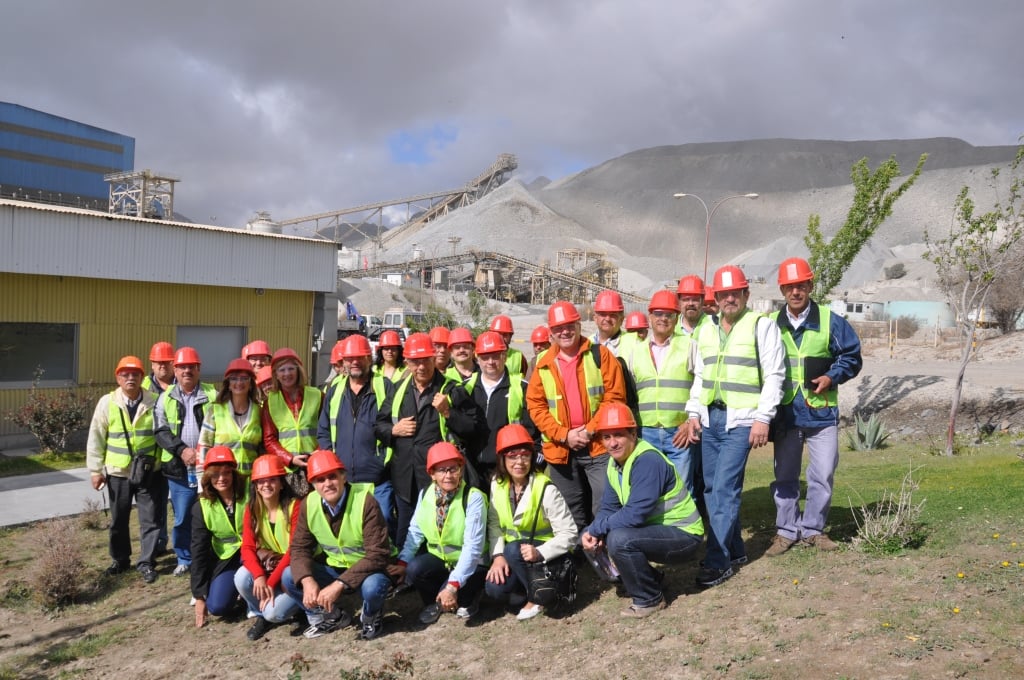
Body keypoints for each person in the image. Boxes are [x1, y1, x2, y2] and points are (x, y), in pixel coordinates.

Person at [685, 265, 785, 588]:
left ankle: (718, 562)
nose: (730, 299)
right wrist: (693, 412)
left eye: (735, 293)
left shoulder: (761, 326)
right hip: (710, 419)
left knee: (724, 489)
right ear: (716, 297)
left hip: (741, 421)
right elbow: (701, 374)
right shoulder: (706, 328)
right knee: (711, 489)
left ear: (746, 294)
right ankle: (736, 550)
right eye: (724, 294)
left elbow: (774, 375)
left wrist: (763, 418)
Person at [766, 258, 863, 555]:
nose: (795, 292)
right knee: (785, 476)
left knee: (823, 474)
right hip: (786, 413)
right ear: (782, 290)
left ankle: (813, 530)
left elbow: (852, 356)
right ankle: (786, 530)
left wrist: (832, 377)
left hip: (821, 413)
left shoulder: (830, 321)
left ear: (810, 286)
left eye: (801, 285)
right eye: (790, 287)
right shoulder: (769, 324)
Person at [581, 403, 704, 617]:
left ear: (633, 433)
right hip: (659, 531)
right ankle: (651, 581)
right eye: (606, 437)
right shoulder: (614, 463)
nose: (612, 443)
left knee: (619, 539)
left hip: (684, 534)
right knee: (595, 533)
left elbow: (634, 515)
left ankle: (649, 599)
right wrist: (593, 531)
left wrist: (598, 529)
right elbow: (609, 507)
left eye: (618, 435)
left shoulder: (647, 460)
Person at [526, 301, 627, 530]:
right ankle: (578, 550)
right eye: (558, 328)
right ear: (551, 332)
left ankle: (606, 547)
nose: (565, 332)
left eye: (569, 326)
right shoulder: (543, 363)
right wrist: (564, 435)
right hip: (560, 449)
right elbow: (536, 406)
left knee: (605, 503)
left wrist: (590, 429)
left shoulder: (600, 355)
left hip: (598, 445)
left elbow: (614, 397)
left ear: (579, 326)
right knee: (570, 511)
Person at [374, 332, 479, 550]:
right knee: (405, 535)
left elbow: (473, 428)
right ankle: (404, 569)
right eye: (415, 362)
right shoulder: (398, 389)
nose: (421, 367)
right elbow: (378, 425)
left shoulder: (452, 389)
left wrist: (448, 412)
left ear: (434, 359)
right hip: (404, 478)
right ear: (407, 362)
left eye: (425, 361)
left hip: (438, 480)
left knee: (437, 534)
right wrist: (393, 430)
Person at [282, 450, 393, 640]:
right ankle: (333, 616)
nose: (327, 484)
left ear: (343, 477)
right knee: (289, 576)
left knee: (374, 587)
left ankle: (371, 615)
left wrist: (339, 584)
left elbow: (378, 555)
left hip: (369, 570)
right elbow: (300, 547)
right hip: (334, 567)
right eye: (320, 480)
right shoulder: (309, 504)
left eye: (332, 477)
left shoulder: (365, 501)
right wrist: (307, 580)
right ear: (313, 484)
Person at [86, 355, 166, 584]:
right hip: (118, 472)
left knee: (151, 520)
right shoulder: (107, 402)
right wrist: (95, 470)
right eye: (125, 374)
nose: (131, 378)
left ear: (142, 377)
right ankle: (120, 561)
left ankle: (147, 562)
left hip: (149, 472)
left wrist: (161, 465)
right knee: (118, 520)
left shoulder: (155, 401)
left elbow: (163, 434)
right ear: (118, 378)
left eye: (135, 374)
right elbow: (96, 437)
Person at [389, 442, 488, 625]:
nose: (448, 475)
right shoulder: (425, 494)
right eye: (441, 470)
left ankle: (466, 596)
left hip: (473, 563)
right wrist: (403, 563)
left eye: (453, 469)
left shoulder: (473, 497)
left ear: (461, 470)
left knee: (462, 597)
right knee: (414, 569)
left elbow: (473, 548)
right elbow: (415, 531)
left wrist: (452, 586)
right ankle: (436, 601)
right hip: (442, 560)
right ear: (432, 474)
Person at [485, 424, 577, 620]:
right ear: (502, 458)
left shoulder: (545, 488)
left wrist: (540, 552)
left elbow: (569, 533)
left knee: (513, 550)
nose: (519, 462)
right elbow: (494, 524)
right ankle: (535, 590)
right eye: (512, 456)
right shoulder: (496, 484)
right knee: (494, 589)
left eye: (525, 455)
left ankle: (539, 597)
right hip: (515, 556)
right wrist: (498, 556)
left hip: (546, 556)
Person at [621, 290, 697, 489]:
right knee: (649, 488)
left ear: (676, 317)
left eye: (669, 314)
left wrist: (690, 421)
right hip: (647, 432)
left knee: (681, 489)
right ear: (650, 316)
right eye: (658, 313)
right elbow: (631, 394)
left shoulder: (689, 346)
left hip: (679, 433)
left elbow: (701, 386)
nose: (663, 318)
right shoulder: (636, 352)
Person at [317, 334, 393, 527]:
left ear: (369, 358)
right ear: (343, 362)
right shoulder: (335, 391)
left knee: (381, 523)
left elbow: (395, 427)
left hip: (378, 480)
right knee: (348, 528)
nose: (355, 362)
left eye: (360, 357)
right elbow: (323, 430)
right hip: (343, 480)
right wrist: (332, 461)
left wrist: (382, 461)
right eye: (350, 359)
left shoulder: (384, 387)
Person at [155, 346, 217, 577]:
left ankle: (211, 553)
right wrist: (182, 451)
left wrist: (204, 453)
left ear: (199, 369)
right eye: (182, 367)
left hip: (208, 467)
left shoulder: (213, 394)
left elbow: (221, 425)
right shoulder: (166, 397)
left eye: (191, 367)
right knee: (182, 517)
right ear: (175, 370)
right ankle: (184, 557)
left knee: (211, 513)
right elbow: (160, 431)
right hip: (178, 469)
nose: (186, 371)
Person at [452, 331, 537, 487]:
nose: (490, 362)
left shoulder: (521, 388)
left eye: (495, 356)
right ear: (477, 358)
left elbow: (533, 432)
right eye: (485, 357)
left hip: (507, 470)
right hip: (472, 470)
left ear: (504, 356)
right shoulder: (465, 389)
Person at [235, 454, 302, 640]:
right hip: (272, 566)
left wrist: (270, 583)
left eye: (272, 479)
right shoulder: (252, 509)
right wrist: (258, 576)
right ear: (255, 485)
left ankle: (299, 608)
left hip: (293, 570)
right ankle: (260, 614)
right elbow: (247, 547)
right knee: (241, 577)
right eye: (261, 481)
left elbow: (294, 550)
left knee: (274, 614)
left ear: (282, 483)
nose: (266, 485)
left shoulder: (295, 506)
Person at [191, 446, 248, 627]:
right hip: (226, 558)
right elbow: (198, 550)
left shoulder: (250, 492)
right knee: (217, 606)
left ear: (234, 473)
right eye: (215, 474)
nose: (221, 478)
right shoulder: (202, 506)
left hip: (255, 553)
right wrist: (199, 595)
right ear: (208, 477)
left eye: (226, 473)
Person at [676, 274, 712, 521]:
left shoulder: (714, 327)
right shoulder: (669, 328)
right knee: (683, 471)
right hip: (677, 412)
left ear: (702, 300)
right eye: (686, 299)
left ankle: (704, 516)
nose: (690, 303)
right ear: (679, 301)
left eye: (695, 299)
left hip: (707, 409)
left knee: (704, 468)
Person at [261, 347, 322, 489]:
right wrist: (290, 459)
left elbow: (327, 431)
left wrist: (319, 452)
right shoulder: (270, 402)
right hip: (287, 469)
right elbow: (269, 439)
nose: (287, 373)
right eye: (281, 370)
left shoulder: (317, 395)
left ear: (298, 371)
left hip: (316, 464)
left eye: (291, 369)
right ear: (276, 374)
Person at [197, 358, 263, 479]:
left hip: (251, 481)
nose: (239, 382)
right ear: (228, 384)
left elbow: (263, 449)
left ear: (250, 384)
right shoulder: (215, 410)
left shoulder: (259, 411)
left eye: (244, 378)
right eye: (234, 378)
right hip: (223, 481)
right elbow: (204, 446)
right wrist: (202, 480)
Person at [141, 340, 175, 554]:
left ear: (173, 363)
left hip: (176, 455)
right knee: (155, 505)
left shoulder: (182, 383)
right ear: (152, 364)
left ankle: (182, 546)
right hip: (153, 458)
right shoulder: (142, 387)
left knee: (180, 505)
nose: (162, 366)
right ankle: (158, 544)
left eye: (166, 362)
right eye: (158, 362)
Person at [590, 290, 627, 356]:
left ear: (621, 319)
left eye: (613, 315)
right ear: (595, 318)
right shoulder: (587, 343)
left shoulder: (633, 344)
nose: (607, 319)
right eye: (603, 314)